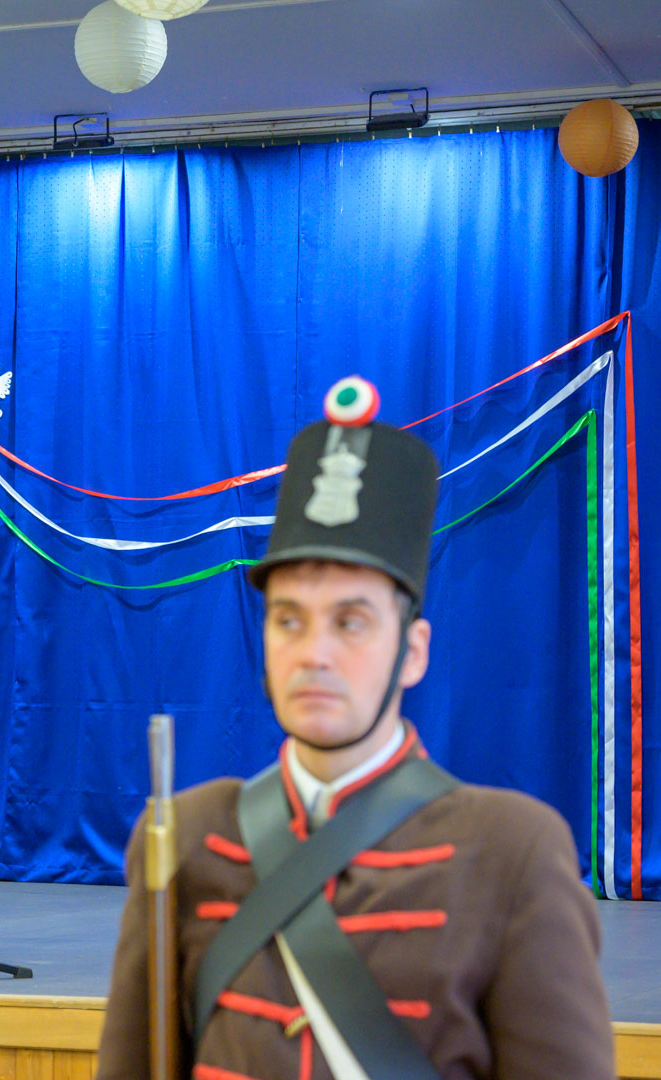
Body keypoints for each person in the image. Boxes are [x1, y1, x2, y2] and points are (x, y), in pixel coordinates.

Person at [97, 379, 614, 1080]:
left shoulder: (512, 852)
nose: (314, 652)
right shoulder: (185, 836)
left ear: (414, 651)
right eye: (288, 619)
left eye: (351, 621)